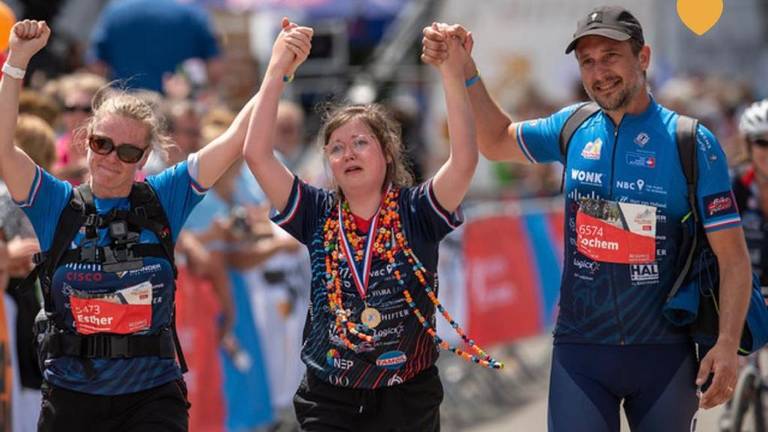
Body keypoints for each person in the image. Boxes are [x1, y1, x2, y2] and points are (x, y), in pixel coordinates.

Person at [422, 6, 751, 432]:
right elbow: (495, 140)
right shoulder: (574, 127)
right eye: (587, 61)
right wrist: (467, 69)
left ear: (643, 57)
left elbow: (734, 260)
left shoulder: (690, 141)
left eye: (611, 56)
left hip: (664, 352)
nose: (599, 72)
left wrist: (727, 346)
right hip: (581, 352)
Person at [0, 19, 310, 431]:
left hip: (152, 398)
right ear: (86, 140)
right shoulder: (56, 203)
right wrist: (17, 61)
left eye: (128, 151)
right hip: (72, 400)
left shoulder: (164, 197)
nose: (111, 158)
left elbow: (236, 138)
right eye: (102, 144)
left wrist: (278, 69)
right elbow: (3, 149)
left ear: (144, 159)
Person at [244, 17, 497, 432]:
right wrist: (277, 70)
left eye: (360, 142)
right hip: (330, 394)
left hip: (407, 394)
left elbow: (465, 160)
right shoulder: (316, 211)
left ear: (387, 154)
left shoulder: (418, 210)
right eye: (337, 148)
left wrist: (451, 72)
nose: (348, 154)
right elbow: (257, 155)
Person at [86, 0, 222, 93]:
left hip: (126, 107)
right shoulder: (192, 14)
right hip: (175, 111)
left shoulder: (114, 13)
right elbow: (215, 68)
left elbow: (96, 65)